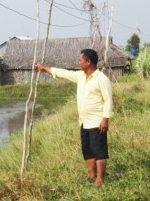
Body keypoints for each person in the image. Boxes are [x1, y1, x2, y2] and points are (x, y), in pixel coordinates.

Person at [34, 48, 113, 187]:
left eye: (80, 60)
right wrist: (44, 68)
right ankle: (92, 176)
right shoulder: (80, 76)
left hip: (97, 122)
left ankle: (100, 179)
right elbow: (63, 73)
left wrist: (105, 119)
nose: (79, 63)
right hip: (84, 122)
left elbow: (108, 100)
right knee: (87, 151)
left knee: (100, 152)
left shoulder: (102, 79)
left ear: (88, 62)